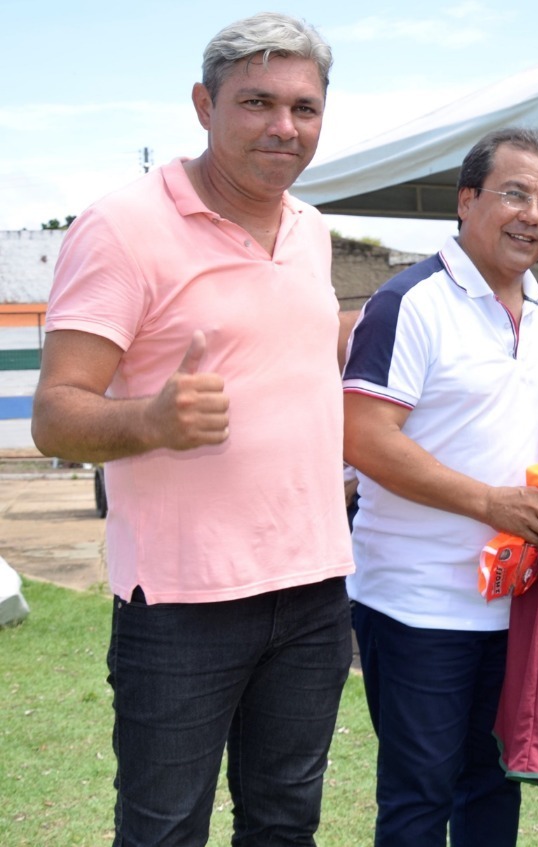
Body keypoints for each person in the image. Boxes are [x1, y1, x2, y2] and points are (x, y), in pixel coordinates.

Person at [30, 13, 355, 845]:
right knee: (165, 829)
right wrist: (152, 418)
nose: (284, 126)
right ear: (203, 104)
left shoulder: (311, 230)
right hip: (182, 603)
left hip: (314, 587)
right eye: (256, 101)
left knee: (285, 822)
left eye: (304, 108)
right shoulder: (122, 227)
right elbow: (55, 414)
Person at [342, 128, 538, 846]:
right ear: (467, 199)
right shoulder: (409, 302)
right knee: (420, 798)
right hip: (417, 606)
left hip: (512, 604)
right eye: (515, 193)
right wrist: (488, 503)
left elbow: (498, 430)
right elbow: (365, 439)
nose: (533, 215)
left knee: (492, 790)